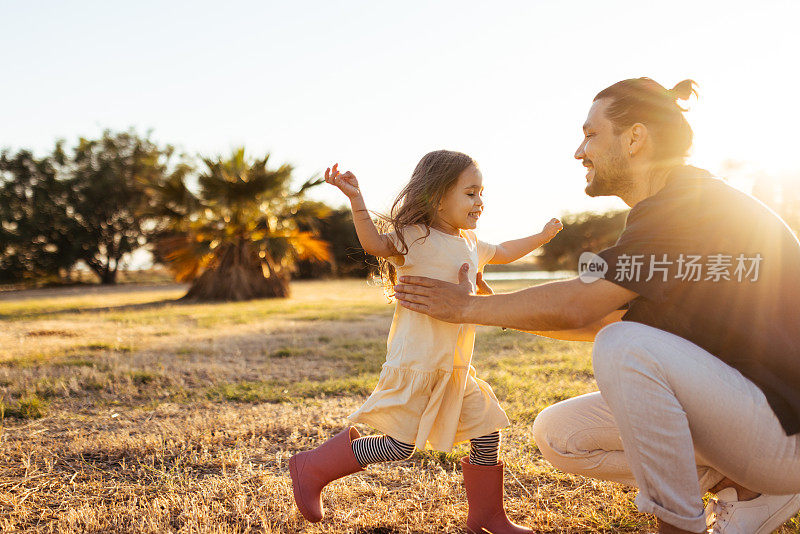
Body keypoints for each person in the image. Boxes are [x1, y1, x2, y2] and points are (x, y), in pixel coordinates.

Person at [392, 79, 800, 534]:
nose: (579, 151)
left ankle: (682, 525)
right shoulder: (671, 206)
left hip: (787, 430)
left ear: (634, 138)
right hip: (755, 416)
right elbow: (607, 314)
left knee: (623, 347)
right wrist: (490, 306)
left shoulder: (689, 205)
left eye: (590, 134)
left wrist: (464, 308)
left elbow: (583, 306)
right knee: (560, 433)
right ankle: (749, 489)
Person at [288, 150, 562, 533]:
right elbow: (373, 244)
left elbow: (504, 252)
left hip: (455, 367)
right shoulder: (415, 238)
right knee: (400, 446)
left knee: (486, 430)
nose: (480, 201)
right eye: (470, 193)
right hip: (418, 362)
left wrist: (543, 235)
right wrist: (356, 199)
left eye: (481, 192)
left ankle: (486, 518)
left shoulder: (470, 241)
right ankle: (313, 466)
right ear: (436, 197)